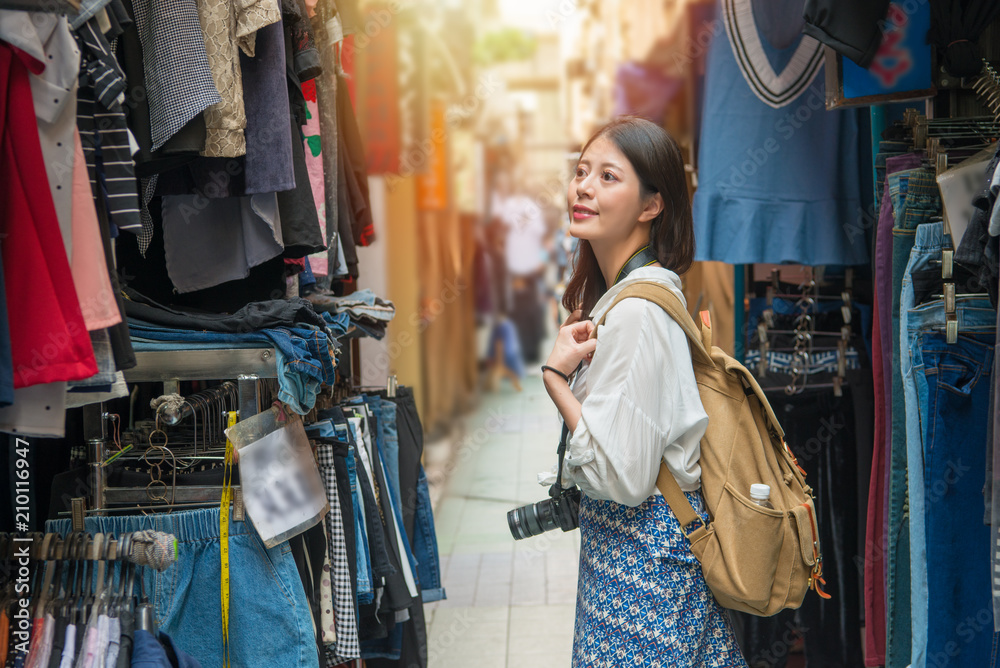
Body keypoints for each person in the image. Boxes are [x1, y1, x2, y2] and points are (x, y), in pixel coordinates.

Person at [541, 117, 747, 667]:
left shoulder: (635, 313)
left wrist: (557, 381)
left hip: (641, 583)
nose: (583, 187)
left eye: (608, 176)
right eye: (581, 172)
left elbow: (624, 478)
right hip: (641, 575)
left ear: (651, 205)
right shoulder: (630, 302)